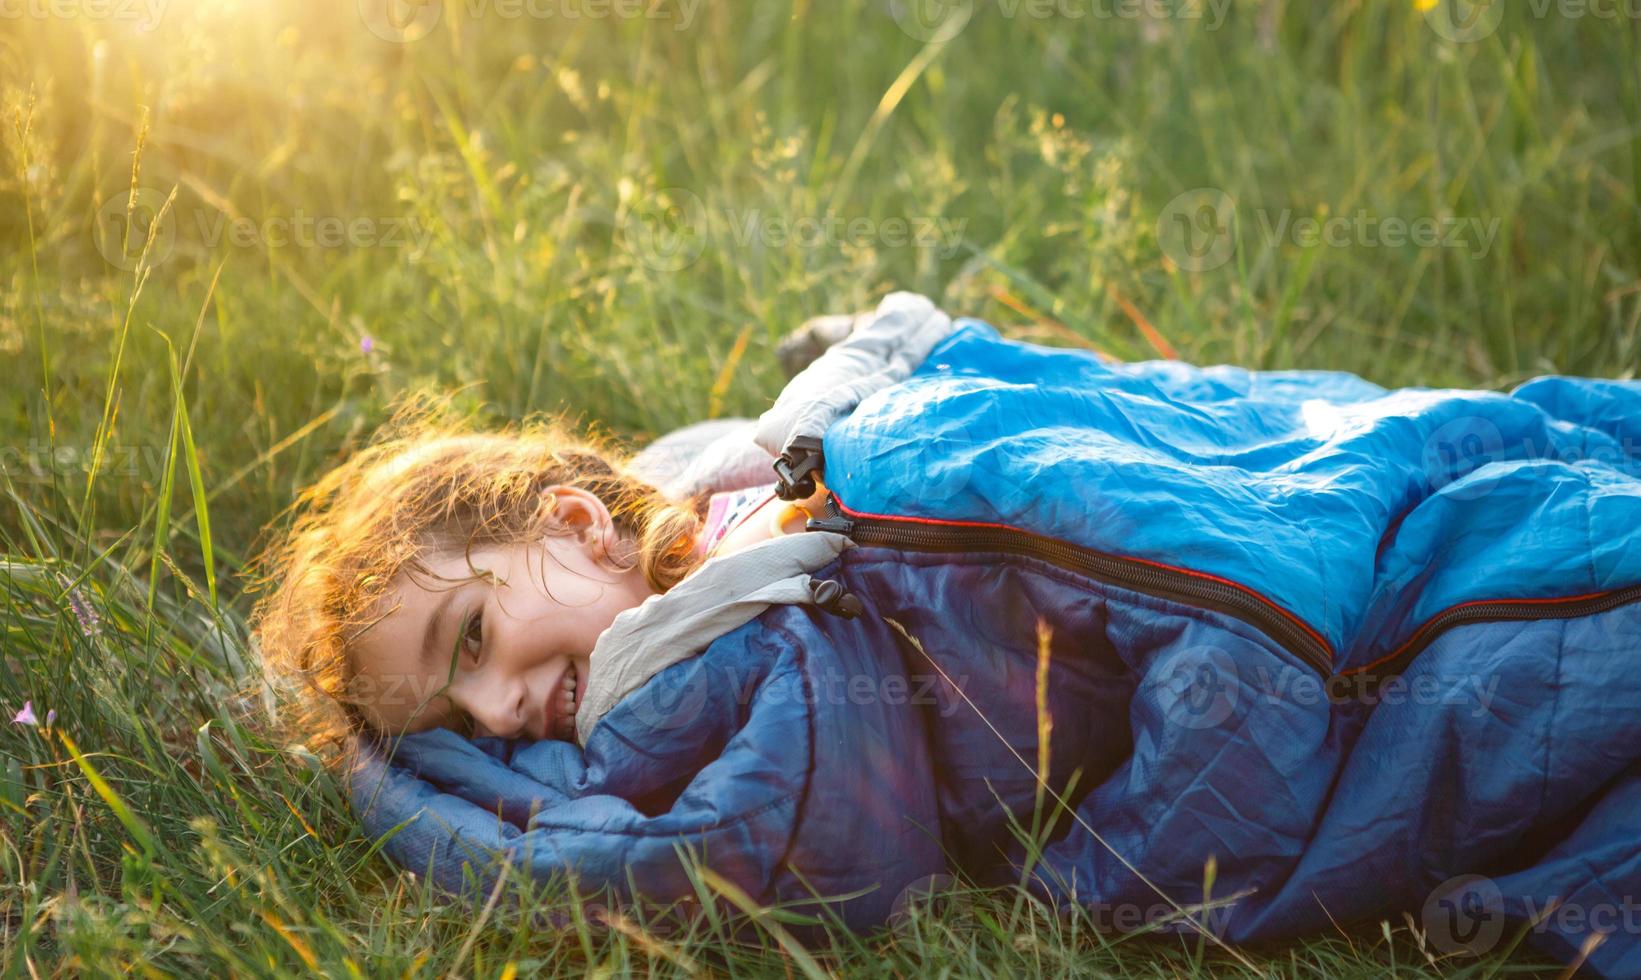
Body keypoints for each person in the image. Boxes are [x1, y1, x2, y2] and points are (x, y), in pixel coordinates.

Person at [250, 292, 1641, 977]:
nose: (498, 714)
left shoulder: (848, 510)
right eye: (455, 724)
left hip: (1458, 601)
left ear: (576, 520)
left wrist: (1091, 897)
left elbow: (1239, 615)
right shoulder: (723, 624)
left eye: (474, 637)